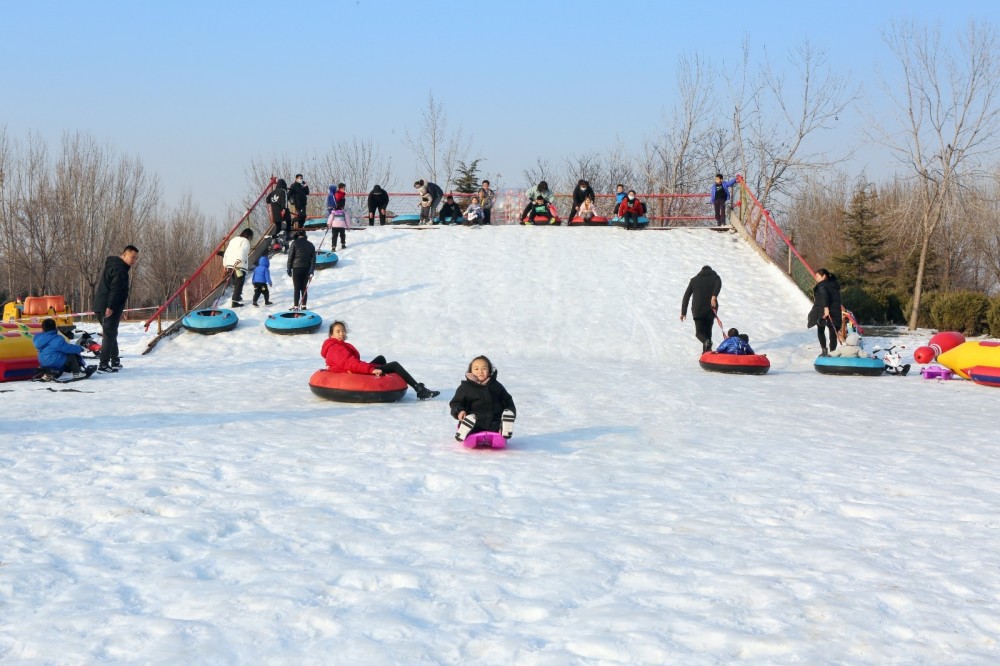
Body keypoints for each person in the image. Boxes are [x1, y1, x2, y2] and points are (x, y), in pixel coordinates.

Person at [321, 321, 440, 400]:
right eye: (338, 331)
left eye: (343, 330)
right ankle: (419, 389)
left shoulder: (338, 345)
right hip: (352, 372)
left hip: (353, 369)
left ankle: (381, 376)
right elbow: (350, 364)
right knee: (394, 365)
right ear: (331, 334)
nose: (341, 333)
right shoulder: (335, 348)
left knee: (381, 358)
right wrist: (371, 370)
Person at [92, 244, 139, 373]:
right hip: (107, 307)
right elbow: (115, 289)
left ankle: (115, 360)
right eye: (132, 257)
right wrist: (111, 307)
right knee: (109, 335)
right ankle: (103, 364)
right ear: (124, 254)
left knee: (111, 333)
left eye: (136, 258)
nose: (134, 261)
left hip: (104, 305)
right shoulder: (119, 269)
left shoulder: (116, 266)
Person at [449, 355, 516, 442]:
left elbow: (507, 400)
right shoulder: (465, 387)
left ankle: (503, 429)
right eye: (476, 369)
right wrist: (459, 411)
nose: (480, 371)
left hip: (494, 421)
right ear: (471, 371)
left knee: (498, 425)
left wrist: (509, 411)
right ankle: (464, 430)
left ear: (489, 371)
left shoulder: (496, 386)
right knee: (470, 423)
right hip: (474, 422)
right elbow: (456, 402)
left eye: (484, 368)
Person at [680, 265, 722, 353]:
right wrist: (714, 295)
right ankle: (708, 352)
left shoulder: (694, 280)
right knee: (708, 332)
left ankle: (706, 350)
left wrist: (683, 312)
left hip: (697, 310)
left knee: (699, 333)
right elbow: (718, 284)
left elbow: (686, 296)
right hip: (711, 309)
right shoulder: (715, 277)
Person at [808, 268, 843, 356]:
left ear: (824, 276)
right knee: (832, 332)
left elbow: (824, 295)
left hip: (822, 309)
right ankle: (832, 352)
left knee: (820, 330)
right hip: (835, 310)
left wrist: (826, 308)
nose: (815, 278)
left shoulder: (821, 285)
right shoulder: (834, 285)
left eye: (817, 276)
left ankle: (824, 351)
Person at [223, 228, 254, 308]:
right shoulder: (245, 241)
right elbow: (243, 251)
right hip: (238, 266)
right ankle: (235, 302)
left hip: (229, 265)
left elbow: (226, 252)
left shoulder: (233, 240)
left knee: (235, 282)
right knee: (239, 283)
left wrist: (225, 264)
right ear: (249, 236)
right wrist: (238, 260)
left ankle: (238, 296)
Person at [286, 231, 316, 310]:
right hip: (306, 268)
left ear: (298, 236)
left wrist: (289, 267)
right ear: (305, 236)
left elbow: (290, 256)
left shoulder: (294, 243)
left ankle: (296, 306)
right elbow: (313, 259)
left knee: (297, 288)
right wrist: (311, 271)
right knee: (304, 288)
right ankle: (304, 306)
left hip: (296, 267)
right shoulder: (310, 244)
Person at [267, 178, 291, 244]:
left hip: (275, 212)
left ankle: (275, 238)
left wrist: (274, 202)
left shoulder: (272, 192)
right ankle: (288, 234)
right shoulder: (283, 191)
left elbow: (267, 200)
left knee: (278, 226)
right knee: (288, 221)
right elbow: (284, 200)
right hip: (282, 210)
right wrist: (284, 208)